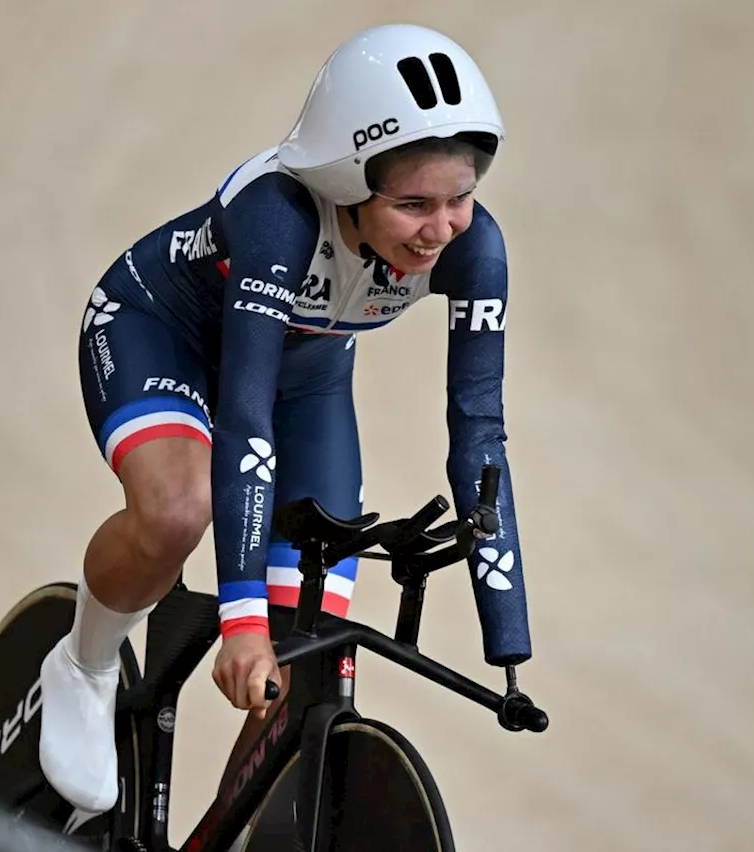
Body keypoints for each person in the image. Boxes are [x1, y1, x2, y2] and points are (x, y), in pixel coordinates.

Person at [37, 23, 533, 814]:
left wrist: (507, 638)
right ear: (344, 184)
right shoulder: (278, 216)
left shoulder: (478, 252)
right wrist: (239, 619)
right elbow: (243, 415)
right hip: (160, 333)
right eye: (412, 204)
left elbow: (479, 432)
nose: (440, 230)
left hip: (306, 388)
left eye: (459, 199)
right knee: (179, 509)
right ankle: (85, 663)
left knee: (305, 658)